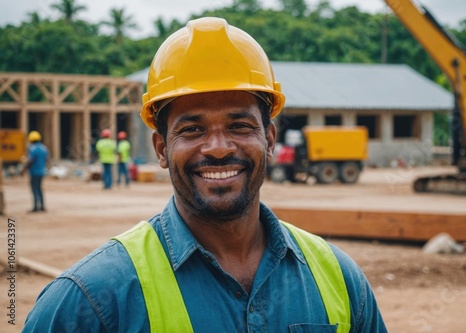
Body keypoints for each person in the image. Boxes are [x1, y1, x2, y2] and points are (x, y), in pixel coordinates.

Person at [23, 17, 387, 332]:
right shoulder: (93, 300)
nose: (217, 147)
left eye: (240, 125)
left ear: (269, 139)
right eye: (192, 129)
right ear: (162, 149)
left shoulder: (339, 279)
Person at [20, 130, 49, 212]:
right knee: (40, 188)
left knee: (35, 189)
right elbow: (47, 159)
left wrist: (23, 170)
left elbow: (30, 161)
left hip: (34, 172)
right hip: (42, 171)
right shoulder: (44, 148)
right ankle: (42, 206)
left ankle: (36, 207)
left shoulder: (33, 149)